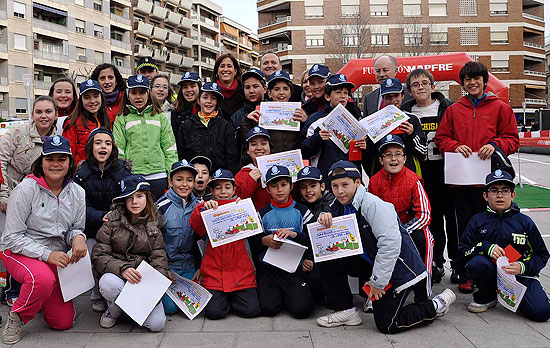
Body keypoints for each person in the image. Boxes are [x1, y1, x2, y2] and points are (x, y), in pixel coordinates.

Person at [315, 161, 456, 333]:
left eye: (345, 184)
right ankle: (346, 310)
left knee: (387, 324)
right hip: (373, 263)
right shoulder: (338, 205)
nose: (340, 191)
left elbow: (390, 246)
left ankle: (435, 305)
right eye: (335, 186)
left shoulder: (372, 204)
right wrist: (323, 217)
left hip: (399, 268)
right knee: (326, 253)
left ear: (357, 182)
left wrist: (377, 283)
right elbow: (326, 225)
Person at [435, 61, 520, 293]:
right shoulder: (453, 110)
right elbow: (441, 139)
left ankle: (498, 270)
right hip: (461, 182)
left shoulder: (500, 108)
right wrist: (455, 145)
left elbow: (513, 139)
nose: (472, 83)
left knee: (494, 227)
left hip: (491, 181)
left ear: (484, 80)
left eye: (477, 78)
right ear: (463, 83)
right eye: (467, 79)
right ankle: (466, 272)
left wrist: (495, 145)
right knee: (465, 228)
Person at [1, 135, 86, 344]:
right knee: (42, 279)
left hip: (54, 257)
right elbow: (12, 237)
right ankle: (17, 317)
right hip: (18, 252)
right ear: (42, 161)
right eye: (50, 159)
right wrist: (47, 254)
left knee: (63, 322)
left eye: (62, 159)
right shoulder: (25, 189)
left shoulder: (77, 192)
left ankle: (36, 297)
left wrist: (79, 238)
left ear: (70, 162)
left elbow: (75, 228)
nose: (56, 164)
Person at [459, 170, 550, 321]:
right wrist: (484, 247)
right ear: (485, 196)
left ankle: (524, 294)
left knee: (541, 313)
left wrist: (522, 266)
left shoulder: (525, 222)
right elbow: (463, 251)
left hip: (520, 276)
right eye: (494, 190)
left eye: (505, 190)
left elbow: (541, 255)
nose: (500, 195)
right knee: (477, 263)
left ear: (513, 195)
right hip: (489, 273)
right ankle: (488, 295)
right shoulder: (477, 220)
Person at [0, 96, 59, 307]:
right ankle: (11, 290)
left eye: (48, 112)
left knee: (30, 242)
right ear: (33, 114)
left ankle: (31, 287)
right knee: (11, 241)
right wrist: (4, 194)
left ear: (55, 115)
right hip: (11, 191)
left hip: (36, 197)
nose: (44, 116)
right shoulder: (17, 133)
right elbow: (1, 160)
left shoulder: (57, 137)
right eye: (39, 112)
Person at [92, 174, 169, 331]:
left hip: (142, 281)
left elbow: (159, 259)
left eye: (139, 196)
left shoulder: (154, 224)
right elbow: (99, 255)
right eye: (130, 197)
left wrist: (154, 291)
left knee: (157, 324)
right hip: (118, 276)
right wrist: (122, 268)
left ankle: (128, 310)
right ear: (123, 200)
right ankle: (114, 311)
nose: (134, 202)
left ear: (147, 198)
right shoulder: (112, 221)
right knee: (108, 284)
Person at [401, 69, 456, 284]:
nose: (421, 87)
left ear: (433, 87)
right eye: (416, 85)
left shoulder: (448, 107)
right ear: (410, 91)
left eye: (425, 83)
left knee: (453, 220)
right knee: (431, 221)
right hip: (423, 173)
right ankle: (436, 262)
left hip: (448, 170)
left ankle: (458, 264)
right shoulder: (405, 112)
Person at [368, 135, 433, 301]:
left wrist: (402, 232)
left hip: (408, 228)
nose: (393, 159)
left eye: (397, 154)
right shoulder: (374, 182)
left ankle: (423, 294)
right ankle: (379, 290)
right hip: (383, 231)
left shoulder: (413, 180)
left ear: (404, 158)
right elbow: (369, 213)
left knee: (426, 237)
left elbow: (424, 215)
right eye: (388, 155)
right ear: (381, 160)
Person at [189, 169, 260, 320]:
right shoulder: (207, 208)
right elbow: (196, 226)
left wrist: (247, 210)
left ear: (234, 189)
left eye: (227, 187)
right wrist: (202, 209)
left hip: (242, 272)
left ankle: (231, 298)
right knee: (214, 313)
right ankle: (224, 299)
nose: (223, 191)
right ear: (212, 190)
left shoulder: (243, 206)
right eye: (218, 188)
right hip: (214, 273)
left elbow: (256, 230)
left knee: (251, 311)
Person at [74, 127, 132, 313]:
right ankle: (96, 294)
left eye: (107, 143)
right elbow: (80, 205)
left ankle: (116, 293)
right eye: (98, 143)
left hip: (118, 227)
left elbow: (129, 199)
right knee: (91, 254)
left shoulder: (122, 171)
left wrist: (114, 216)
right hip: (92, 228)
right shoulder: (81, 174)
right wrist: (100, 217)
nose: (103, 147)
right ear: (91, 147)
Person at [250, 165, 314, 318]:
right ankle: (282, 295)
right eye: (274, 186)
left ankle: (291, 295)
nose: (279, 190)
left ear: (291, 186)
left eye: (283, 185)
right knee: (268, 309)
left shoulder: (302, 211)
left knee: (302, 311)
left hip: (294, 269)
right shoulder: (262, 213)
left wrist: (295, 236)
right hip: (268, 269)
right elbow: (251, 243)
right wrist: (264, 241)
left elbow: (314, 239)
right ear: (267, 190)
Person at [113, 74, 177, 199]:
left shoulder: (160, 116)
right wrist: (123, 175)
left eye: (142, 92)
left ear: (148, 93)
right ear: (127, 94)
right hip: (134, 176)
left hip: (159, 175)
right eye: (133, 92)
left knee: (159, 213)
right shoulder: (121, 119)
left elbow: (170, 148)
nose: (138, 97)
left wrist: (171, 174)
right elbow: (118, 150)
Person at [299, 74, 367, 179]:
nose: (343, 96)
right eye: (338, 92)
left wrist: (364, 147)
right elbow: (303, 151)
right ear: (327, 96)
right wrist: (318, 138)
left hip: (351, 180)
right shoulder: (315, 120)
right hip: (325, 181)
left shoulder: (355, 119)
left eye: (346, 93)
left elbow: (365, 157)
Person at [156, 160, 201, 315]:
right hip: (169, 268)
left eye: (189, 180)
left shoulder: (199, 206)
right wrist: (163, 270)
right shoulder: (161, 206)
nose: (184, 184)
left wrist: (199, 267)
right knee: (169, 309)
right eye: (179, 179)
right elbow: (154, 243)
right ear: (170, 181)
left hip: (190, 267)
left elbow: (202, 240)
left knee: (197, 304)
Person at [364, 77, 426, 177]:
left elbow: (423, 153)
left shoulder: (412, 119)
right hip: (381, 179)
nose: (393, 100)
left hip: (408, 178)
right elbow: (369, 156)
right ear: (383, 98)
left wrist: (412, 135)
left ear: (402, 95)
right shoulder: (374, 122)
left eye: (396, 95)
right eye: (388, 97)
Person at [176, 82, 239, 173]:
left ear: (217, 102)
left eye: (213, 98)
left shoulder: (225, 126)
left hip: (219, 177)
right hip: (195, 177)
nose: (209, 101)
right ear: (198, 100)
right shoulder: (187, 125)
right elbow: (181, 153)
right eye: (205, 97)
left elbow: (232, 156)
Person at [241, 70, 308, 154]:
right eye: (276, 89)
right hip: (270, 162)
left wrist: (306, 121)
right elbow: (247, 142)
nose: (281, 93)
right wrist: (247, 122)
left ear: (290, 93)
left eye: (285, 89)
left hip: (293, 162)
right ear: (269, 93)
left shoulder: (300, 112)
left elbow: (307, 141)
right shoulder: (261, 113)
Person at [296, 166, 334, 304]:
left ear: (322, 186)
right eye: (303, 187)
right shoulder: (299, 207)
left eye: (313, 185)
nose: (308, 191)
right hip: (310, 255)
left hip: (330, 255)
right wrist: (308, 258)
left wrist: (329, 215)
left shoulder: (332, 202)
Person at [63, 79, 111, 165]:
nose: (92, 101)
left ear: (101, 97)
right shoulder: (72, 122)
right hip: (82, 173)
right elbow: (68, 154)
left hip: (107, 171)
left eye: (96, 96)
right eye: (87, 97)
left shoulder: (111, 118)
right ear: (81, 100)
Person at [230, 68, 267, 154]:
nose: (251, 91)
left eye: (255, 86)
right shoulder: (236, 117)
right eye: (247, 87)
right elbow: (233, 147)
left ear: (265, 89)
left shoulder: (275, 110)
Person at [235, 127, 272, 210]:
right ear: (248, 150)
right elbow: (237, 202)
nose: (259, 148)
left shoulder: (281, 168)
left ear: (270, 147)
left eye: (263, 143)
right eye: (253, 144)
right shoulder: (242, 174)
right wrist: (250, 181)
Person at [212, 53, 244, 120]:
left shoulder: (245, 91)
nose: (226, 69)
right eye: (222, 66)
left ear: (235, 71)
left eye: (229, 66)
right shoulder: (210, 92)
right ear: (217, 70)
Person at [171, 72, 201, 137]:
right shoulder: (176, 113)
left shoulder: (209, 110)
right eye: (185, 87)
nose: (189, 90)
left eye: (192, 86)